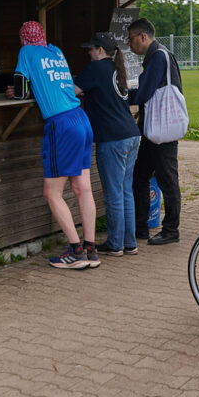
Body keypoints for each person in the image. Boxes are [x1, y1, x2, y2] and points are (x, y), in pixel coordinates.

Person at [11, 21, 98, 268]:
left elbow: (20, 91)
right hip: (81, 118)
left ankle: (76, 252)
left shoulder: (26, 51)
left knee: (51, 193)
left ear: (23, 38)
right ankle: (90, 250)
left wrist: (18, 91)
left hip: (61, 124)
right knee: (83, 189)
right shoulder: (55, 51)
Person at [74, 32, 141, 257]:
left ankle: (115, 244)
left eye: (91, 49)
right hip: (131, 134)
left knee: (113, 194)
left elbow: (71, 91)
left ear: (100, 50)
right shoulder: (115, 68)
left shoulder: (95, 68)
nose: (88, 53)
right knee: (125, 191)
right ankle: (129, 242)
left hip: (112, 138)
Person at [126, 17, 183, 245]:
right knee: (140, 176)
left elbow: (143, 93)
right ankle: (141, 227)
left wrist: (121, 95)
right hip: (154, 130)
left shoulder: (158, 56)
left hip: (161, 130)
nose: (130, 45)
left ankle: (171, 230)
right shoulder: (159, 55)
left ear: (143, 36)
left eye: (131, 39)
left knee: (167, 179)